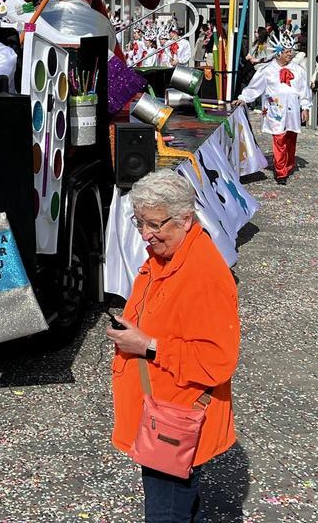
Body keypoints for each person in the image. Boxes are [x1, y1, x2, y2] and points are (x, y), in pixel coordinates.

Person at [106, 170, 240, 521]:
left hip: (173, 425)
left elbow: (218, 360)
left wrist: (148, 345)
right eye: (139, 223)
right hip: (161, 419)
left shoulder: (203, 274)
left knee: (168, 513)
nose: (146, 235)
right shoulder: (169, 256)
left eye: (154, 224)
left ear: (185, 219)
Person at [235, 44, 313, 185]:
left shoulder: (298, 70)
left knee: (290, 138)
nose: (290, 54)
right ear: (278, 54)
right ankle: (280, 171)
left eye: (291, 51)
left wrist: (305, 107)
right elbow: (255, 86)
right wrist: (243, 98)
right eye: (287, 52)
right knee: (279, 138)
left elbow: (304, 89)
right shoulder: (268, 70)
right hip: (275, 110)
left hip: (292, 111)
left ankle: (288, 165)